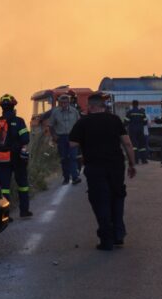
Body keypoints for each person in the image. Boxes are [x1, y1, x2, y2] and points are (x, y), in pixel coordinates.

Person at [69, 94, 137, 251]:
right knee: (117, 196)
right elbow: (127, 143)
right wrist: (132, 164)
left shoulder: (83, 122)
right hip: (116, 166)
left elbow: (72, 143)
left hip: (95, 167)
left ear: (91, 106)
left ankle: (106, 239)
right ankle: (118, 235)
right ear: (103, 105)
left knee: (100, 201)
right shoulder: (114, 120)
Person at [0, 94, 32, 218]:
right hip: (18, 158)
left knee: (4, 188)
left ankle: (6, 216)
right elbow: (26, 138)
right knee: (23, 186)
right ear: (13, 106)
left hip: (3, 158)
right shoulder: (19, 121)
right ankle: (24, 211)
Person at [47, 94, 82, 185]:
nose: (63, 104)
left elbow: (79, 124)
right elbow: (50, 126)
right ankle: (66, 177)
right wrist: (54, 136)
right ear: (59, 103)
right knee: (64, 159)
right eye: (62, 102)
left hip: (73, 137)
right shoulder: (55, 113)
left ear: (68, 102)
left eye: (65, 102)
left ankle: (75, 177)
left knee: (73, 157)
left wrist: (79, 136)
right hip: (61, 138)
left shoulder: (74, 112)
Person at [125, 100, 150, 164]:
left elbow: (126, 122)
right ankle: (144, 160)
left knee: (134, 146)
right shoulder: (142, 112)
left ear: (132, 104)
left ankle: (136, 160)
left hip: (132, 131)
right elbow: (145, 122)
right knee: (142, 146)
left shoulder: (129, 112)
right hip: (140, 131)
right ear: (138, 104)